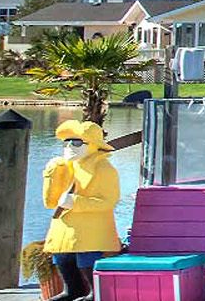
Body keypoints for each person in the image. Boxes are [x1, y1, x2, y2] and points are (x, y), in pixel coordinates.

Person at [42, 120, 121, 301]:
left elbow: (109, 201)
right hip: (65, 228)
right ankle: (72, 290)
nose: (70, 146)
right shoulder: (65, 166)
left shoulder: (104, 169)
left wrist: (76, 202)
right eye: (67, 141)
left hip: (90, 229)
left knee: (87, 256)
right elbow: (50, 201)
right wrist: (50, 175)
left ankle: (96, 293)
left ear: (93, 145)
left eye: (77, 142)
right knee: (62, 256)